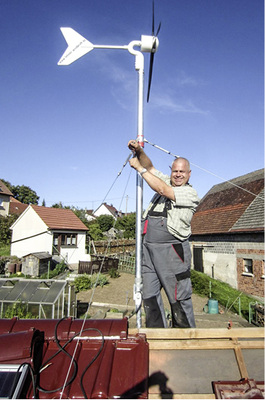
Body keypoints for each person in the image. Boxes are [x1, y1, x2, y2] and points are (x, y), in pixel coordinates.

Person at [128, 139, 200, 328]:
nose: (177, 175)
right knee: (149, 296)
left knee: (179, 298)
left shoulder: (189, 193)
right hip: (149, 250)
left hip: (173, 252)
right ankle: (158, 336)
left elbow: (161, 188)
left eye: (181, 172)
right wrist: (139, 151)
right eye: (174, 171)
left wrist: (138, 169)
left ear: (189, 174)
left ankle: (186, 338)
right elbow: (150, 168)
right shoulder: (166, 181)